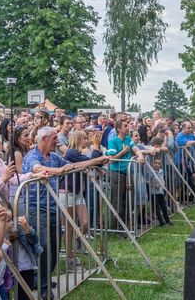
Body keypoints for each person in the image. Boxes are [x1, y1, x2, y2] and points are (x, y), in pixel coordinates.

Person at [22, 127, 102, 299]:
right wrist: (57, 171)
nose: (57, 141)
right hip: (37, 208)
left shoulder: (53, 157)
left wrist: (95, 161)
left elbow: (71, 165)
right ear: (44, 139)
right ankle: (43, 286)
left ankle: (42, 278)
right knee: (43, 247)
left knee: (55, 246)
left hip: (53, 206)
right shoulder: (32, 156)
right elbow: (36, 168)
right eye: (54, 139)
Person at [61, 131, 106, 268]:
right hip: (67, 192)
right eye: (85, 138)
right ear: (78, 139)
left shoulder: (80, 153)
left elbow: (95, 163)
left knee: (85, 223)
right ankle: (69, 257)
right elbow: (92, 161)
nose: (87, 140)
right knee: (69, 227)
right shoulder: (71, 153)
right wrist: (96, 146)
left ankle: (79, 238)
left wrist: (98, 155)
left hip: (79, 192)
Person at [106, 120, 145, 227]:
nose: (128, 127)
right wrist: (123, 152)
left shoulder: (128, 138)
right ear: (119, 129)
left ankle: (127, 223)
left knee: (129, 199)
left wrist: (140, 155)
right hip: (117, 174)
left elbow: (135, 149)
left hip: (128, 173)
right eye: (125, 126)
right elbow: (112, 159)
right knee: (118, 200)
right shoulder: (113, 141)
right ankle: (117, 226)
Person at [175, 122, 195, 203]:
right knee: (188, 183)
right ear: (183, 128)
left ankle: (183, 199)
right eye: (188, 128)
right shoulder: (180, 136)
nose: (190, 129)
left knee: (187, 182)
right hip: (180, 162)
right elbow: (188, 143)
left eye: (191, 127)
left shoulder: (190, 135)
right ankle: (188, 199)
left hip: (188, 162)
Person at [151, 159, 172, 226]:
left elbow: (162, 179)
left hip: (161, 191)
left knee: (164, 206)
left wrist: (163, 183)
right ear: (153, 163)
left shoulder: (161, 171)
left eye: (159, 163)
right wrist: (153, 185)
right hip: (153, 192)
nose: (157, 165)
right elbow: (146, 180)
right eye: (156, 163)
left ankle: (167, 220)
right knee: (157, 208)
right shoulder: (151, 171)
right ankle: (161, 222)